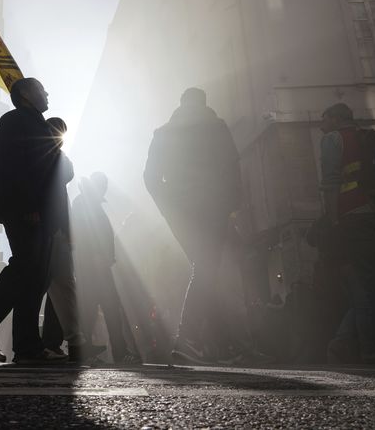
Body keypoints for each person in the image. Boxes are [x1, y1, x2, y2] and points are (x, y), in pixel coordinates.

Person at [0, 78, 67, 365]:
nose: (47, 93)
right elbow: (17, 168)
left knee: (35, 278)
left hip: (40, 211)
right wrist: (29, 205)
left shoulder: (35, 123)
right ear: (25, 94)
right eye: (41, 89)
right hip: (27, 209)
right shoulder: (15, 121)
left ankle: (27, 346)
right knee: (24, 268)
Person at [143, 87, 241, 364]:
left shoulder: (163, 133)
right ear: (204, 102)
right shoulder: (216, 127)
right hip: (213, 208)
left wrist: (167, 207)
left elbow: (150, 178)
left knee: (206, 270)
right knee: (207, 269)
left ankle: (222, 344)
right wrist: (232, 205)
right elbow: (233, 166)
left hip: (181, 213)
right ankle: (190, 340)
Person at [316, 103, 375, 364]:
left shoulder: (333, 140)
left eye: (324, 119)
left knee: (366, 285)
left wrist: (333, 220)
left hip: (351, 213)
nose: (321, 126)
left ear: (335, 119)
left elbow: (331, 182)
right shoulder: (368, 137)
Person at [38, 118, 105, 363]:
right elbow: (67, 172)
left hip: (56, 228)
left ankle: (73, 342)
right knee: (53, 285)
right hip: (50, 228)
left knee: (58, 285)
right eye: (58, 134)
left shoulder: (51, 155)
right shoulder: (48, 156)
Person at [71, 172, 141, 364]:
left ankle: (99, 350)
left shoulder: (86, 203)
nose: (104, 188)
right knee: (103, 309)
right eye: (102, 185)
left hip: (97, 265)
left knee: (99, 309)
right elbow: (85, 234)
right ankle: (115, 351)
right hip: (94, 266)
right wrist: (98, 257)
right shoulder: (85, 204)